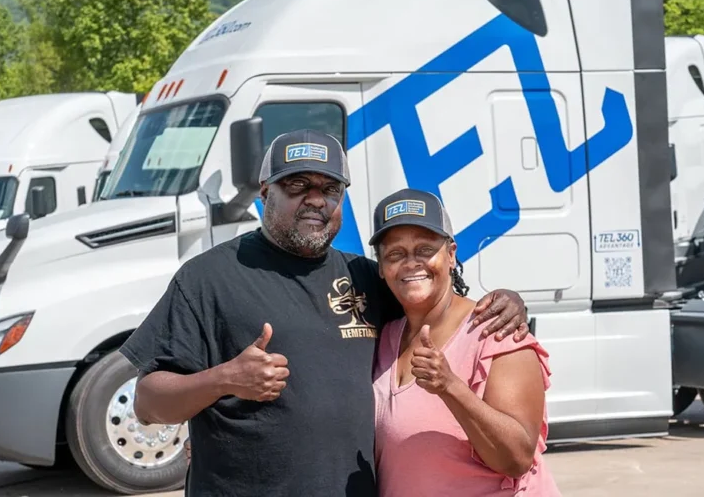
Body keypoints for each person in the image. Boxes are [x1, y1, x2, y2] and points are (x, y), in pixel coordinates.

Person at [119, 129, 531, 497]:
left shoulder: (364, 277)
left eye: (330, 188)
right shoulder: (208, 278)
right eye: (297, 185)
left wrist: (506, 299)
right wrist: (224, 379)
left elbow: (434, 295)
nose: (316, 199)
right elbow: (148, 404)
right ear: (265, 194)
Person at [369, 188, 560, 496]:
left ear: (451, 254)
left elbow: (517, 457)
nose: (411, 263)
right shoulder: (385, 336)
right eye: (395, 254)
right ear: (380, 267)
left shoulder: (497, 331)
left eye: (424, 249)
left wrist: (449, 386)